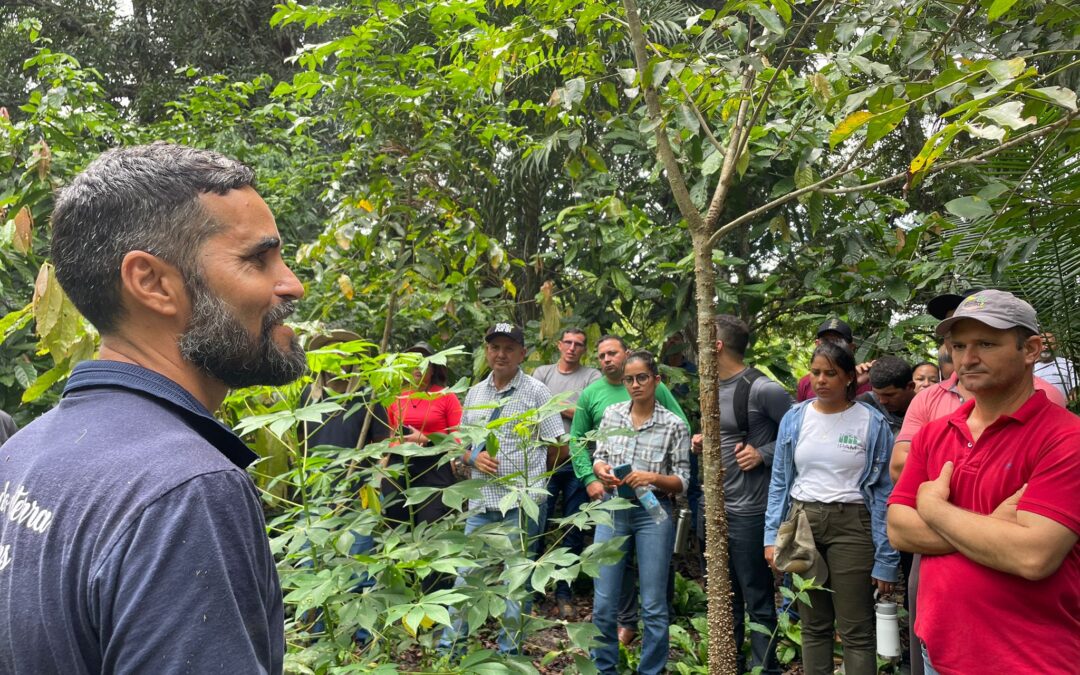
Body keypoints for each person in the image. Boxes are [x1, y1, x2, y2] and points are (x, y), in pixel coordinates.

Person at [0, 143, 306, 672]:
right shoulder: (186, 492)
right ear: (152, 283)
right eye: (257, 259)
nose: (291, 284)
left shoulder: (21, 453)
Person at [886, 290, 1080, 674]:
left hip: (1031, 659)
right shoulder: (934, 433)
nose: (967, 359)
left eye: (986, 344)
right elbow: (898, 529)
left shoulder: (1066, 439)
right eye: (958, 346)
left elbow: (1033, 555)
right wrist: (996, 527)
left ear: (1031, 349)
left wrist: (933, 507)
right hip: (938, 652)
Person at [765, 341, 898, 675]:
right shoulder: (796, 418)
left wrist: (886, 558)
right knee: (813, 624)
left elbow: (884, 493)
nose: (821, 380)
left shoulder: (871, 422)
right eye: (816, 373)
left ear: (850, 377)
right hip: (802, 523)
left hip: (852, 525)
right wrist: (771, 536)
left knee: (856, 629)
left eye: (831, 373)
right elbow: (780, 480)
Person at [440, 323, 564, 655]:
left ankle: (508, 656)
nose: (501, 354)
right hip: (481, 504)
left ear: (523, 353)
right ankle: (449, 652)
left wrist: (535, 484)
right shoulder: (475, 393)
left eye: (509, 348)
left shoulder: (537, 391)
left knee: (515, 587)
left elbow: (557, 446)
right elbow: (463, 447)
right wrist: (474, 457)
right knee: (465, 579)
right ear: (487, 351)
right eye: (495, 347)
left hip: (520, 508)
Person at [568, 334, 688, 645]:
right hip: (613, 507)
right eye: (630, 379)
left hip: (654, 511)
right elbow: (599, 456)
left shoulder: (673, 424)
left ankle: (651, 667)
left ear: (656, 380)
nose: (636, 385)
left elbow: (683, 480)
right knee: (605, 600)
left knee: (653, 602)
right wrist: (600, 471)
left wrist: (652, 477)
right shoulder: (612, 414)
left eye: (642, 378)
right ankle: (605, 664)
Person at [694, 314, 790, 674]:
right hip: (713, 508)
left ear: (716, 346)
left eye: (704, 341)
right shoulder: (709, 387)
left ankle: (766, 669)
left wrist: (763, 453)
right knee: (721, 600)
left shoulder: (763, 388)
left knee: (758, 600)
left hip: (750, 511)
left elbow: (803, 434)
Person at [531, 328, 600, 618]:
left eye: (579, 345)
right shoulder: (542, 372)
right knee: (536, 525)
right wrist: (570, 408)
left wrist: (555, 406)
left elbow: (588, 414)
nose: (572, 348)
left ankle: (564, 591)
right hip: (542, 459)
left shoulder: (591, 377)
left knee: (572, 528)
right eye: (568, 343)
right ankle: (532, 592)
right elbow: (531, 410)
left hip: (577, 462)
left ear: (584, 349)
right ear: (559, 345)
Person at [383, 341, 463, 528]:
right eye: (413, 361)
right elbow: (388, 434)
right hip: (400, 463)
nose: (418, 366)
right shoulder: (396, 397)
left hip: (434, 464)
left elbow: (459, 436)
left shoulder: (446, 395)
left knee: (431, 524)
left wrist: (427, 439)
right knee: (397, 523)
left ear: (433, 368)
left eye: (424, 361)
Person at [795, 318, 872, 402]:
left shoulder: (866, 381)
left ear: (851, 347)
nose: (831, 347)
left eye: (838, 342)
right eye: (826, 341)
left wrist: (854, 385)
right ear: (817, 344)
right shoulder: (805, 382)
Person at [856, 356, 917, 435]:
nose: (882, 401)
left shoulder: (927, 409)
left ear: (910, 386)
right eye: (877, 394)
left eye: (889, 395)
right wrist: (853, 384)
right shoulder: (869, 401)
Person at [1033, 332, 1078, 400]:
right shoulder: (1029, 367)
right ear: (1038, 345)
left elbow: (1075, 392)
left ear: (1057, 345)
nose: (1046, 347)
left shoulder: (1067, 364)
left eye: (1050, 344)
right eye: (1044, 343)